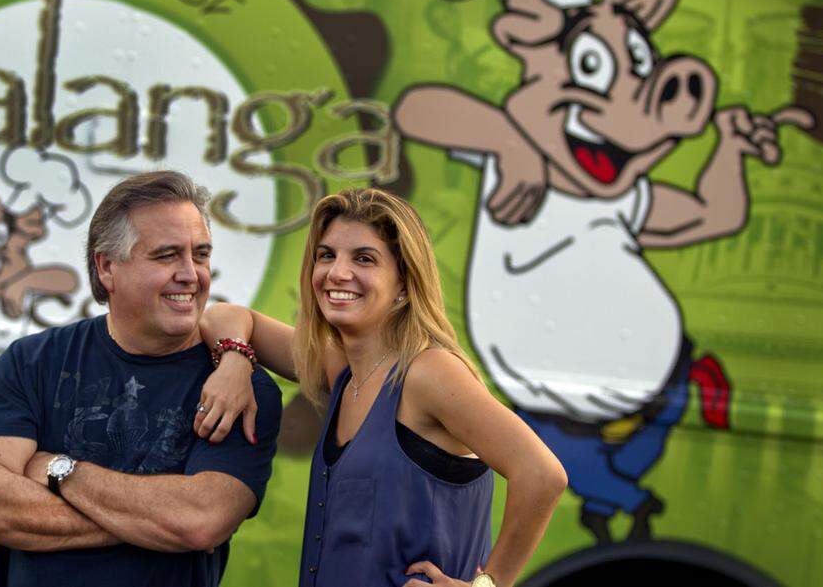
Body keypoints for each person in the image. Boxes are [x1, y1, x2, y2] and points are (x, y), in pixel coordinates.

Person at [196, 188, 565, 587]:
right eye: (326, 255)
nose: (337, 273)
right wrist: (235, 361)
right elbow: (224, 316)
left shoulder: (429, 373)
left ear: (404, 282)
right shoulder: (342, 370)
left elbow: (542, 474)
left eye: (364, 259)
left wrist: (487, 585)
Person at [0, 170, 283, 587]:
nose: (192, 274)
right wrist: (152, 525)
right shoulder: (33, 361)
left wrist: (59, 470)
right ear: (107, 267)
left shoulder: (240, 390)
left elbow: (200, 522)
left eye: (200, 255)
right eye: (167, 256)